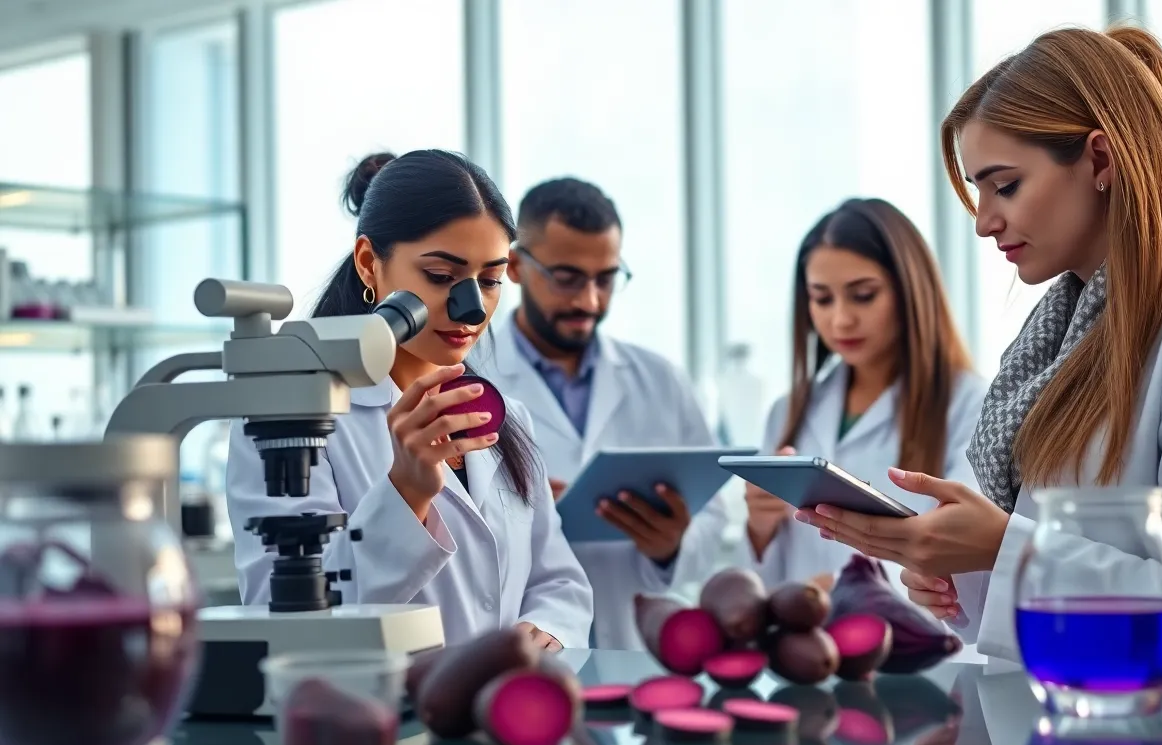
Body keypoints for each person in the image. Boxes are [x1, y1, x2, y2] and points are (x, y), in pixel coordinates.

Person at [792, 26, 1162, 674]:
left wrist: (1005, 551)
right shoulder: (1062, 342)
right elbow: (1081, 558)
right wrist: (963, 575)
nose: (984, 221)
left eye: (1005, 186)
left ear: (1101, 161)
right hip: (1069, 714)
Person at [226, 151, 594, 651]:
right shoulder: (291, 417)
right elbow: (283, 614)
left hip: (502, 694)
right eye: (441, 276)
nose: (472, 309)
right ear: (368, 263)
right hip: (373, 696)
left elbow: (559, 580)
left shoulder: (509, 419)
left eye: (489, 281)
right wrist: (406, 493)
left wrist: (549, 628)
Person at [470, 177, 730, 650]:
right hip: (518, 646)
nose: (589, 300)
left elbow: (713, 517)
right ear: (516, 267)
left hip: (636, 644)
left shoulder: (661, 381)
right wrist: (523, 515)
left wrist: (671, 546)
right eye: (567, 278)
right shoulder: (472, 378)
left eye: (605, 279)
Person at [739, 198, 986, 587]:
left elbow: (962, 552)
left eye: (864, 295)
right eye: (822, 299)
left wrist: (843, 587)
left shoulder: (970, 405)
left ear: (909, 291)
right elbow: (761, 585)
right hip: (805, 627)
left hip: (910, 626)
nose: (841, 319)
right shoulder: (788, 413)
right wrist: (759, 526)